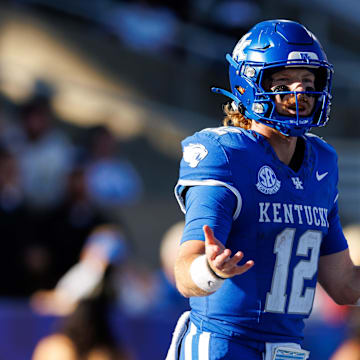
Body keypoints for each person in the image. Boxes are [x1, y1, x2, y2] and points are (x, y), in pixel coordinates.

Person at [166, 19, 359, 360]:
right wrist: (209, 270)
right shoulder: (225, 154)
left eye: (308, 80)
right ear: (248, 86)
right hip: (223, 346)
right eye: (283, 81)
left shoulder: (322, 161)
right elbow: (185, 271)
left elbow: (343, 284)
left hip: (287, 350)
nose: (299, 91)